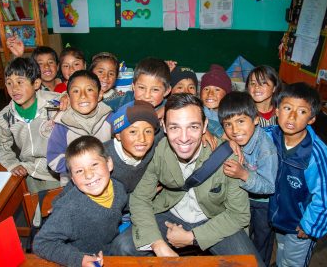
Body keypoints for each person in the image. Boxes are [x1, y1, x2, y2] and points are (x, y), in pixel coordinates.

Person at [110, 93, 262, 265]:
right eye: (175, 127)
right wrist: (158, 245)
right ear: (164, 127)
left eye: (193, 127)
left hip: (215, 218)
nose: (184, 138)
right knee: (121, 247)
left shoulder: (228, 157)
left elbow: (239, 214)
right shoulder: (157, 151)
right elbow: (140, 198)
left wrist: (192, 237)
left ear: (205, 126)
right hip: (170, 212)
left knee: (252, 263)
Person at [268, 83, 327, 267]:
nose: (292, 116)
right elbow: (247, 137)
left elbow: (326, 197)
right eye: (287, 108)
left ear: (311, 119)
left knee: (293, 262)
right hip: (279, 215)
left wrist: (310, 226)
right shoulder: (270, 136)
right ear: (277, 111)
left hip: (301, 225)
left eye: (301, 111)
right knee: (282, 248)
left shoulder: (316, 155)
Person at [33, 136, 127, 267]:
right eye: (79, 171)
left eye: (94, 164)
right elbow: (41, 243)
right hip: (86, 259)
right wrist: (79, 259)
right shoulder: (70, 210)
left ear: (109, 163)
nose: (88, 175)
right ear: (73, 178)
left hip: (111, 251)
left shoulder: (118, 188)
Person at [218, 91, 278, 266]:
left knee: (262, 241)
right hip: (242, 200)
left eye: (241, 121)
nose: (235, 130)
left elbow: (269, 186)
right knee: (243, 238)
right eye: (228, 125)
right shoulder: (235, 138)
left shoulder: (266, 149)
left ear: (256, 119)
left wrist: (243, 174)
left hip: (263, 205)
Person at [0, 57, 60, 193]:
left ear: (36, 84)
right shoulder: (5, 117)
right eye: (9, 83)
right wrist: (12, 164)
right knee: (34, 210)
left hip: (59, 174)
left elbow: (69, 98)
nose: (14, 88)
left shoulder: (54, 105)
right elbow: (0, 142)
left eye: (20, 82)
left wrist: (65, 96)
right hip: (29, 174)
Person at [47, 70, 112, 186]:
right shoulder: (62, 125)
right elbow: (53, 159)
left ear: (100, 95)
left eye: (89, 90)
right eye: (76, 91)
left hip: (106, 181)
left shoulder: (109, 118)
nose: (83, 95)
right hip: (73, 187)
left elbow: (117, 149)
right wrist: (78, 168)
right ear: (68, 97)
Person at [106, 100, 160, 193]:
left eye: (148, 131)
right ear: (118, 135)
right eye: (133, 132)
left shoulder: (155, 149)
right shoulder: (101, 158)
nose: (142, 139)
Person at [103, 57, 171, 114]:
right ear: (133, 87)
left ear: (166, 91)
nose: (147, 96)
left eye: (155, 89)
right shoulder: (124, 101)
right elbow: (99, 107)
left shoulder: (169, 109)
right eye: (141, 87)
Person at [200, 64, 232, 138]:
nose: (210, 94)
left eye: (217, 89)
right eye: (206, 89)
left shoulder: (235, 112)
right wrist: (221, 133)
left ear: (227, 94)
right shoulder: (197, 110)